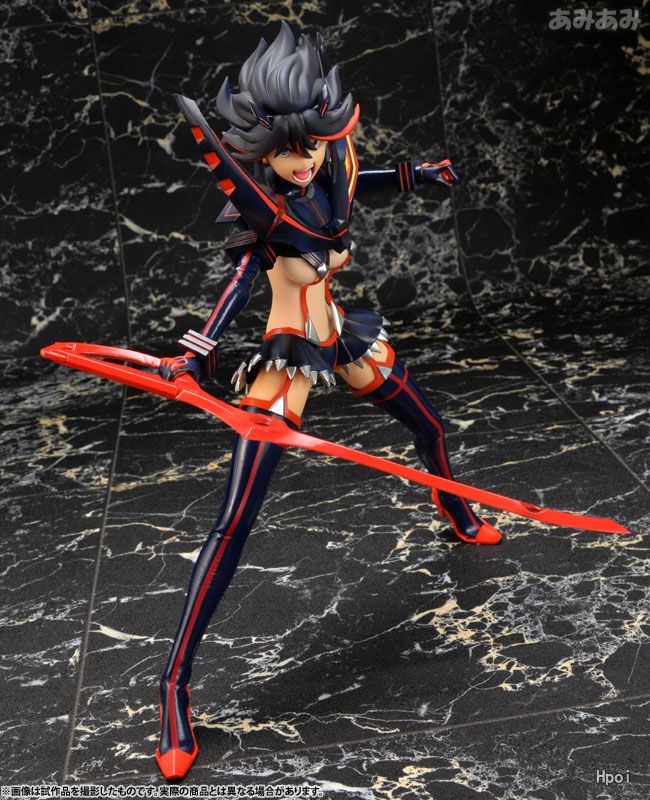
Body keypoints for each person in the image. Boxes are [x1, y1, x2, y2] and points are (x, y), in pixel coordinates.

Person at [154, 21, 501, 779]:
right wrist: (195, 352)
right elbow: (237, 284)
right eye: (286, 151)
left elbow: (352, 186)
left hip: (342, 334)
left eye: (310, 144)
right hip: (288, 356)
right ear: (259, 150)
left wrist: (415, 175)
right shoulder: (263, 214)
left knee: (429, 425)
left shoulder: (328, 171)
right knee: (235, 520)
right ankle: (174, 686)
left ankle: (454, 509)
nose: (302, 160)